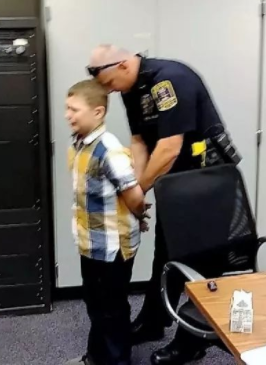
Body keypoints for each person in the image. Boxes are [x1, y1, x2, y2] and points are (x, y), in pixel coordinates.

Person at [87, 45, 232, 364]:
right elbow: (140, 141)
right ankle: (153, 321)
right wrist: (135, 188)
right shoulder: (131, 89)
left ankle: (191, 342)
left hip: (208, 184)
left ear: (123, 65)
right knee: (165, 257)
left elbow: (168, 148)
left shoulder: (170, 80)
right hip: (176, 184)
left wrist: (137, 191)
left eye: (109, 83)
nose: (109, 91)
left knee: (202, 268)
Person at [64, 80, 148, 365]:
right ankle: (96, 357)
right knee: (96, 304)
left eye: (74, 109)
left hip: (113, 246)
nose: (68, 115)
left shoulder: (109, 149)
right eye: (67, 108)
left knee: (111, 309)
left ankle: (117, 361)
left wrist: (139, 216)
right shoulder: (78, 144)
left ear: (98, 112)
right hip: (91, 242)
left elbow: (135, 197)